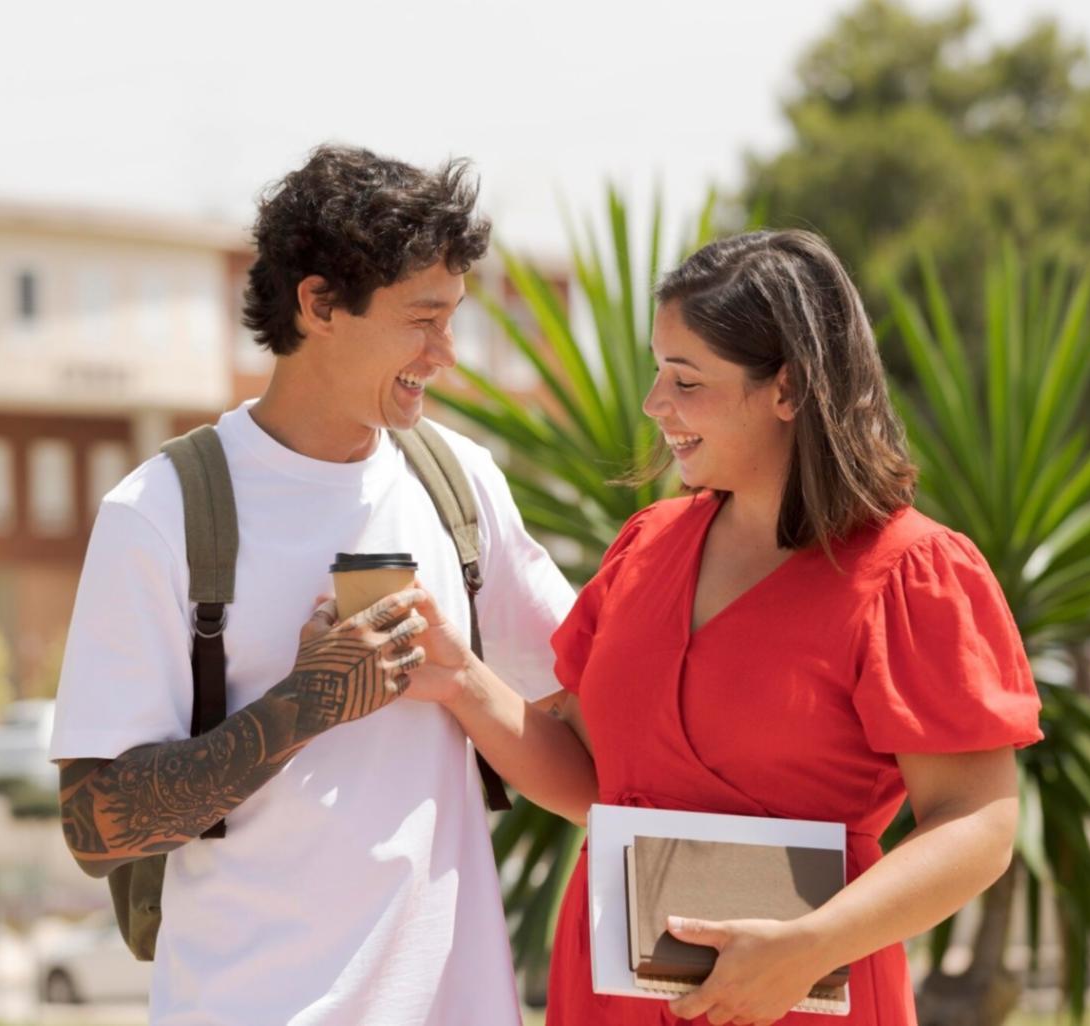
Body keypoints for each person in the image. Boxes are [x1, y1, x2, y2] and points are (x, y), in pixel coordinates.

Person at [409, 229, 1043, 1025]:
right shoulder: (643, 547)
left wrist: (810, 944)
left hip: (804, 994)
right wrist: (460, 679)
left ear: (787, 389)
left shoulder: (910, 572)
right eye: (656, 371)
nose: (653, 404)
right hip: (615, 993)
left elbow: (978, 823)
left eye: (686, 379)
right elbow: (593, 782)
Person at [47, 144, 592, 1025]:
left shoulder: (462, 486)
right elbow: (94, 825)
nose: (445, 353)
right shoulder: (158, 512)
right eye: (422, 319)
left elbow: (589, 782)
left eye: (452, 318)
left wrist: (460, 682)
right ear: (319, 302)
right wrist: (304, 705)